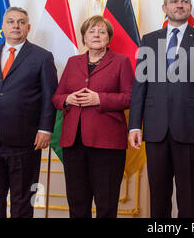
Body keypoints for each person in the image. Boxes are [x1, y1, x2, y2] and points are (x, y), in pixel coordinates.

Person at [128, 0, 194, 218]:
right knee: (158, 196)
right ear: (164, 7)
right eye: (174, 1)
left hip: (190, 130)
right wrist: (135, 125)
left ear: (190, 7)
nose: (179, 5)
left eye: (184, 1)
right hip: (155, 130)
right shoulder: (148, 40)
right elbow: (140, 86)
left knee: (187, 196)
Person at [0, 7, 58, 218]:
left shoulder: (42, 57)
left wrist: (45, 129)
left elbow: (49, 98)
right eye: (11, 21)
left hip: (25, 142)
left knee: (23, 201)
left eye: (21, 22)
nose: (16, 26)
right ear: (3, 26)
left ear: (28, 27)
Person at [52, 15, 133, 218]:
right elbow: (57, 98)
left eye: (102, 31)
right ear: (84, 38)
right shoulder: (73, 62)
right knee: (77, 204)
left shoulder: (121, 62)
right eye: (91, 31)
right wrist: (68, 99)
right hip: (74, 143)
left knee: (106, 205)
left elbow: (130, 98)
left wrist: (100, 99)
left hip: (107, 144)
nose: (96, 35)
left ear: (109, 37)